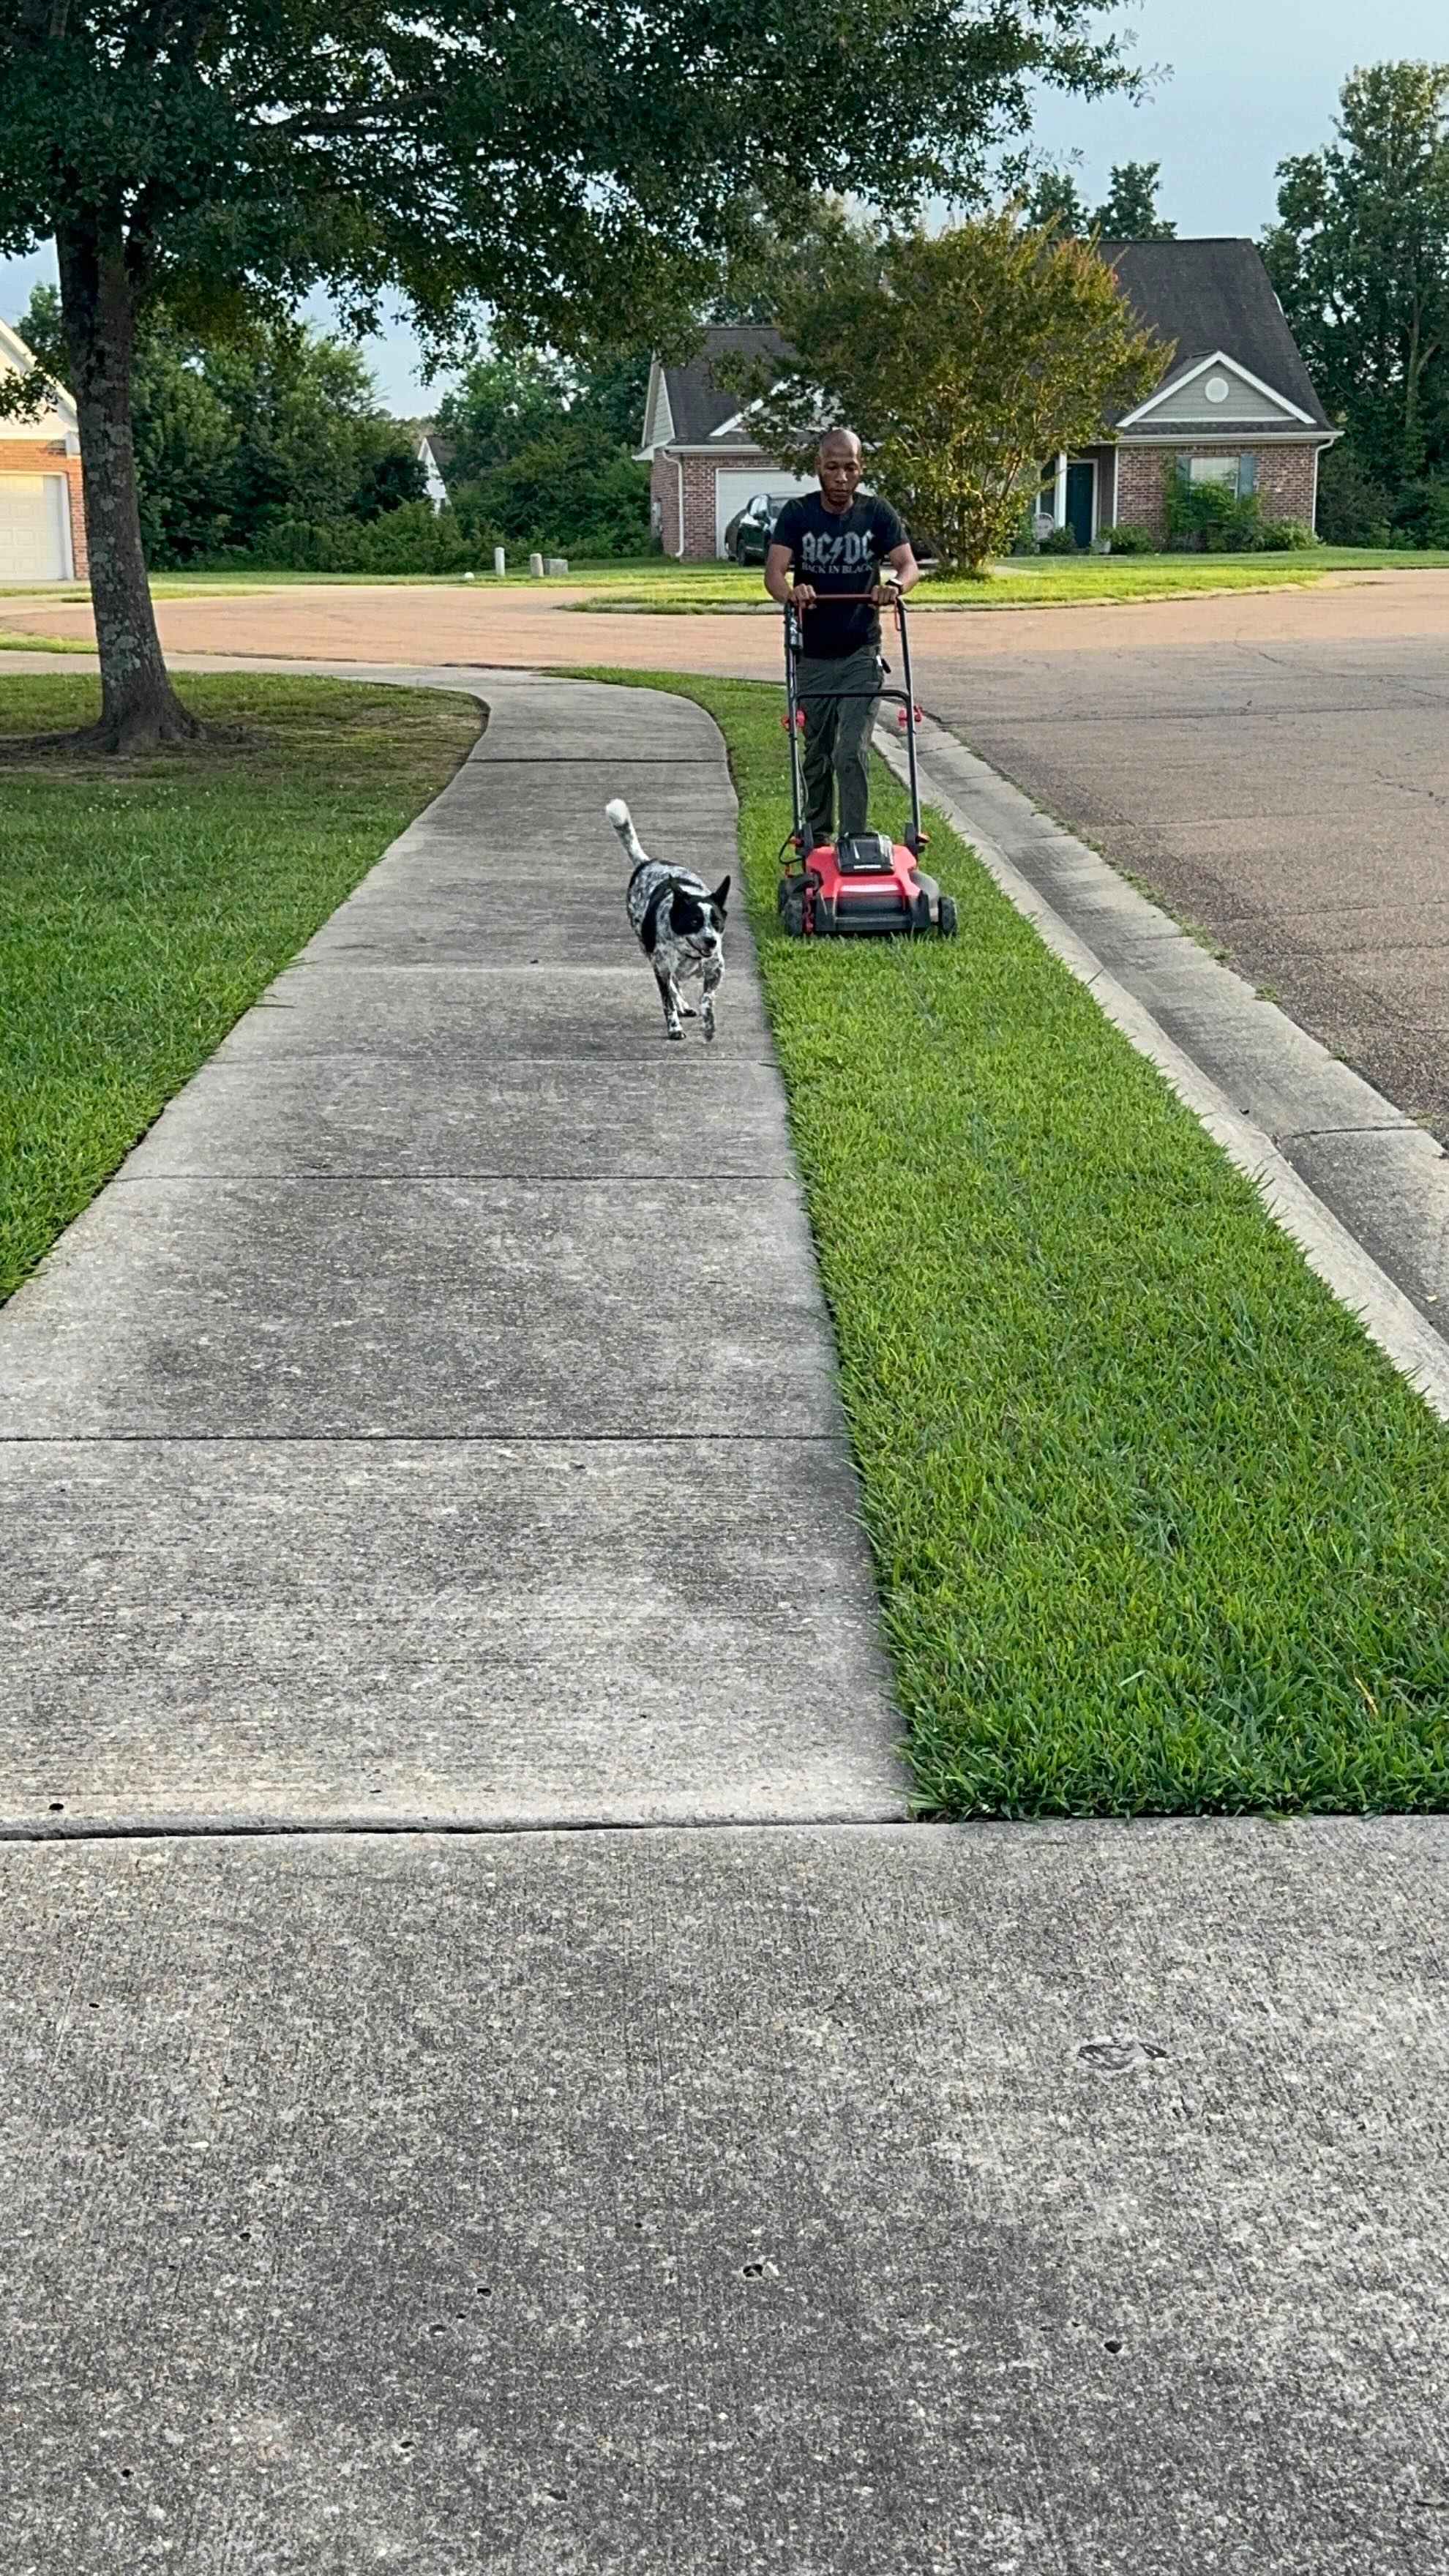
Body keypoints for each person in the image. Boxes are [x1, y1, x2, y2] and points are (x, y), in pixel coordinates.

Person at [764, 430, 918, 853]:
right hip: (812, 655)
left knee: (850, 750)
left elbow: (908, 565)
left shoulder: (877, 514)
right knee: (816, 753)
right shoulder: (798, 515)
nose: (841, 476)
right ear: (818, 467)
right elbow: (774, 573)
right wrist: (792, 593)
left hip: (860, 653)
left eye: (850, 467)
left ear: (861, 469)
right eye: (832, 467)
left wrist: (894, 587)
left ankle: (855, 841)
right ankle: (817, 838)